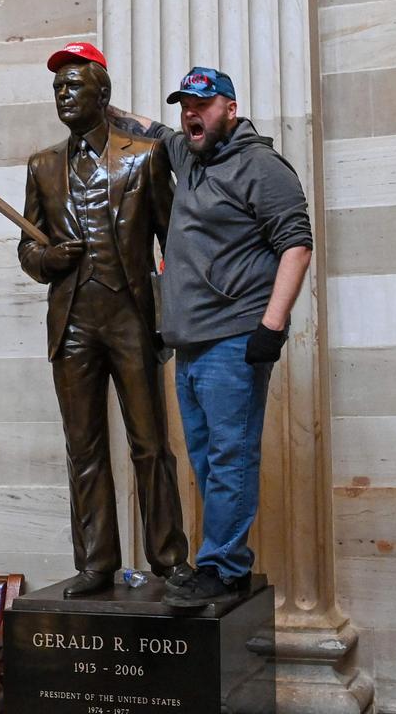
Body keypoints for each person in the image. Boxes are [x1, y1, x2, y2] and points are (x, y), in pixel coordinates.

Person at [108, 66, 313, 608]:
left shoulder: (261, 166)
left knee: (230, 456)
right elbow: (150, 129)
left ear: (231, 108)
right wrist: (98, 97)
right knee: (205, 457)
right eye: (186, 105)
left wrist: (271, 327)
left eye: (204, 103)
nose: (191, 114)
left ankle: (221, 567)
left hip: (235, 337)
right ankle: (229, 561)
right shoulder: (189, 156)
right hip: (191, 342)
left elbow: (297, 244)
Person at [17, 42, 190, 598]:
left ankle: (167, 559)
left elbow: (174, 245)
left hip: (130, 319)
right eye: (58, 89)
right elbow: (28, 250)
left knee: (151, 443)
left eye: (74, 86)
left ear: (103, 93)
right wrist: (48, 259)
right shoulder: (42, 165)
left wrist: (177, 321)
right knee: (84, 448)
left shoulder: (144, 156)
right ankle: (96, 562)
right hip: (72, 326)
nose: (63, 96)